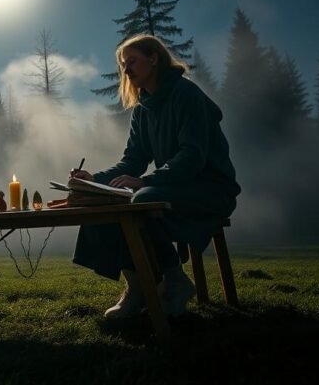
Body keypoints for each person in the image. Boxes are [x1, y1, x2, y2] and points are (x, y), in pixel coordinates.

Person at [70, 34, 240, 319]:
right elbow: (133, 161)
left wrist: (147, 182)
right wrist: (93, 180)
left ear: (154, 58)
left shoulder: (187, 95)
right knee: (103, 204)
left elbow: (193, 156)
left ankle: (175, 282)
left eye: (132, 62)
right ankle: (137, 287)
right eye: (123, 65)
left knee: (143, 199)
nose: (126, 70)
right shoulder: (142, 110)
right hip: (173, 186)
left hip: (210, 188)